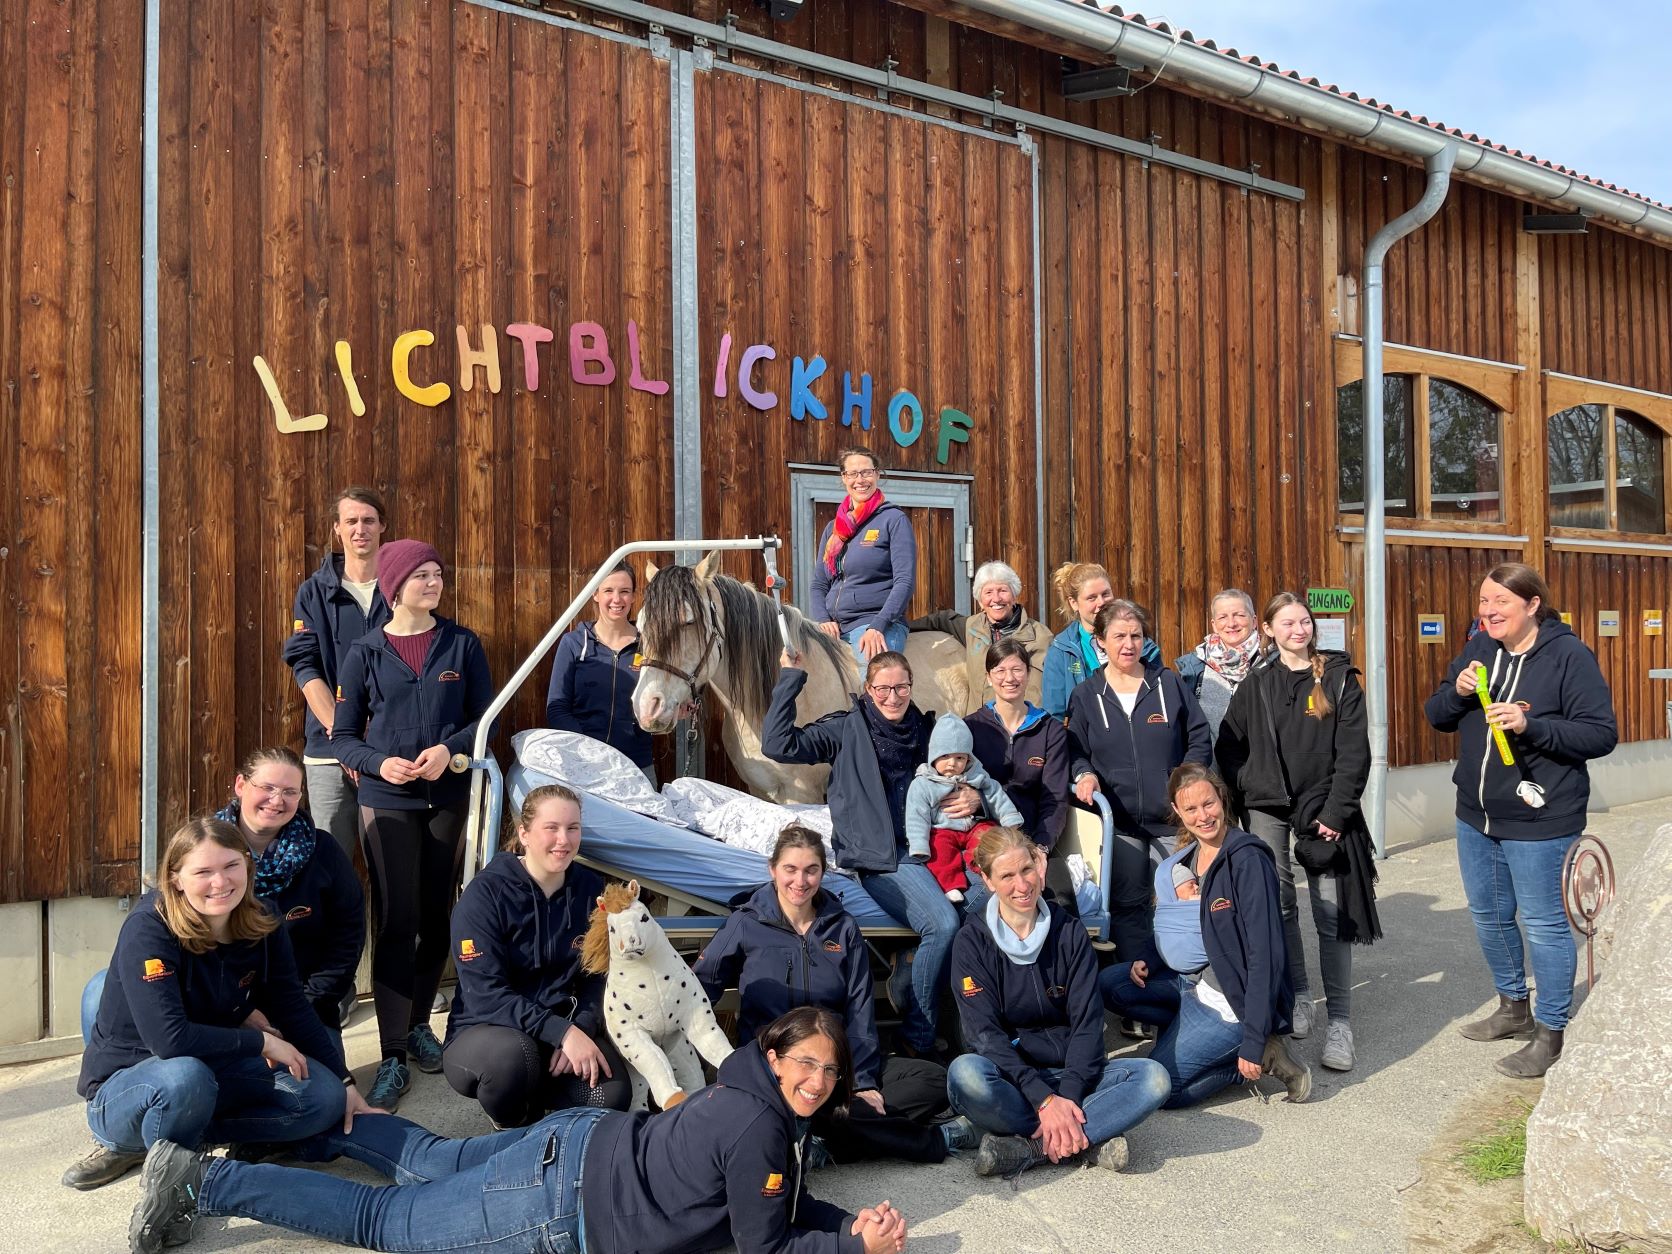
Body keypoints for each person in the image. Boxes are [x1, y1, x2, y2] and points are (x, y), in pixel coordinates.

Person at [129, 1007, 911, 1254]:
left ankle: (331, 1130)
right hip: (562, 1201)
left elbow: (774, 1198)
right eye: (806, 1064)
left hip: (582, 1137)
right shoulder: (762, 1129)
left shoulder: (744, 1087)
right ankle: (203, 1179)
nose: (818, 1082)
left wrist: (848, 1223)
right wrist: (853, 1249)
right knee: (381, 1220)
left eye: (829, 1071)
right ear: (774, 1057)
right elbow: (765, 1244)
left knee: (432, 1155)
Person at [65, 818, 372, 1197]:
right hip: (133, 1082)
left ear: (248, 866)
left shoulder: (262, 919)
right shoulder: (149, 928)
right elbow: (170, 1041)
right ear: (175, 878)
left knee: (323, 1098)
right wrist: (261, 1042)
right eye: (203, 872)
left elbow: (292, 1006)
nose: (220, 882)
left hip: (208, 1070)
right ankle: (133, 1150)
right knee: (184, 1077)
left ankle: (185, 1137)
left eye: (230, 866)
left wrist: (345, 1082)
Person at [1424, 562, 1617, 1079]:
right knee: (1489, 916)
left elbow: (1601, 734)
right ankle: (1513, 1008)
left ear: (1532, 605)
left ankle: (1551, 1032)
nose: (1488, 611)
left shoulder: (1568, 656)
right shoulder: (1479, 647)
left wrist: (1532, 725)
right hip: (1477, 813)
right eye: (1483, 601)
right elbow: (1437, 715)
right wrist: (1458, 692)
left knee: (1544, 924)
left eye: (1500, 602)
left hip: (1541, 817)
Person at [694, 825, 974, 1165]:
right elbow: (698, 989)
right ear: (773, 870)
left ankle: (815, 1136)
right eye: (790, 869)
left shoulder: (842, 927)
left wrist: (863, 1082)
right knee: (799, 1106)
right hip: (776, 1069)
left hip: (835, 1066)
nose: (800, 881)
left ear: (823, 873)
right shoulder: (745, 923)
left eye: (811, 870)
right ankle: (923, 1139)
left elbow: (860, 1009)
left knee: (934, 1080)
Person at [331, 538, 494, 1113]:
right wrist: (379, 764)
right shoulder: (366, 652)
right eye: (421, 574)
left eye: (437, 573)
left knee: (435, 914)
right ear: (395, 585)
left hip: (446, 795)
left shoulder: (462, 644)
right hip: (387, 799)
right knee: (397, 919)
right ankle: (392, 1053)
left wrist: (450, 750)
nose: (433, 582)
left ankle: (421, 1024)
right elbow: (343, 736)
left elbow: (485, 719)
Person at [762, 647, 977, 1060]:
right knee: (943, 925)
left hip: (935, 848)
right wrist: (790, 679)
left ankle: (912, 969)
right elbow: (777, 743)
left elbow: (970, 773)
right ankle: (917, 1038)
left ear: (912, 686)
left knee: (987, 906)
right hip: (882, 857)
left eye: (901, 687)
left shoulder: (928, 731)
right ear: (868, 689)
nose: (893, 697)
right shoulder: (846, 729)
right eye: (883, 688)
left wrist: (972, 796)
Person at [946, 826, 1171, 1178]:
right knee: (966, 1074)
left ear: (1039, 866)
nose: (1022, 885)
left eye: (1026, 869)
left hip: (1072, 1073)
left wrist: (1067, 1096)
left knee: (1154, 1078)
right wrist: (1044, 1100)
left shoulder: (1070, 931)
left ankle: (1031, 1147)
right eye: (1006, 876)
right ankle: (1088, 1136)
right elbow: (985, 1036)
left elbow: (1087, 1025)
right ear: (987, 881)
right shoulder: (971, 942)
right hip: (1012, 1078)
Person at [1215, 592, 1373, 1071]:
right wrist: (1250, 786)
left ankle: (1340, 1022)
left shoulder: (1339, 679)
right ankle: (1301, 994)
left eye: (1304, 622)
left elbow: (1354, 754)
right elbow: (1229, 746)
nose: (1299, 630)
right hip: (1268, 808)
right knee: (1280, 905)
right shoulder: (1257, 683)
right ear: (1268, 629)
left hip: (1324, 809)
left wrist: (1337, 812)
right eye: (1287, 623)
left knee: (1330, 913)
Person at [1099, 764, 1312, 1107]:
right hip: (1189, 982)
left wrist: (1254, 1039)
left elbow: (1266, 956)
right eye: (1191, 809)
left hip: (1229, 999)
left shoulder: (1248, 861)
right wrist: (1148, 959)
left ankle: (1260, 1055)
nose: (1203, 816)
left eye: (1208, 803)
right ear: (1177, 811)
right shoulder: (1189, 856)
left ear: (1222, 798)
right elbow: (1182, 926)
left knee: (1161, 1087)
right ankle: (1190, 1037)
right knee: (1111, 984)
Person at [442, 784, 632, 1126]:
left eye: (572, 828)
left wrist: (580, 1028)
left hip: (560, 1029)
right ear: (524, 834)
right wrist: (562, 1032)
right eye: (551, 828)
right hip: (488, 1031)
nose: (563, 840)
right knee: (514, 1061)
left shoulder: (589, 889)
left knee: (612, 1095)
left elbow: (597, 975)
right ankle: (513, 1121)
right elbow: (486, 995)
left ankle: (551, 1116)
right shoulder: (485, 895)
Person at [1068, 600, 1212, 960]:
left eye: (1136, 636)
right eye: (1119, 636)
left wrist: (1187, 778)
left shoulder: (1168, 683)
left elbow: (1198, 735)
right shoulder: (1086, 695)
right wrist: (1084, 774)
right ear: (1100, 641)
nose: (1128, 644)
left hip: (1172, 819)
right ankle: (1138, 978)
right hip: (1120, 823)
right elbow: (1074, 750)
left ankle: (1181, 978)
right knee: (1128, 905)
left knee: (1177, 898)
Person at [213, 746, 365, 1034]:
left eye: (289, 792)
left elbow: (348, 936)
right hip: (224, 1017)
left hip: (308, 1010)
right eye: (267, 787)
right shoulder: (205, 851)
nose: (276, 800)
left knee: (322, 1066)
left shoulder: (323, 851)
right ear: (240, 785)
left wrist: (307, 1006)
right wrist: (238, 1013)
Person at [282, 485, 391, 862]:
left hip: (388, 752)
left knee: (391, 865)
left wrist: (367, 746)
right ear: (337, 528)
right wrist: (344, 737)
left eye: (369, 520)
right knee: (331, 861)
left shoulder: (401, 588)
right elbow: (305, 664)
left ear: (382, 526)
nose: (360, 529)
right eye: (351, 521)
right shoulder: (314, 592)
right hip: (328, 752)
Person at [965, 639, 1076, 911]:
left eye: (1017, 670)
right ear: (988, 677)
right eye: (1000, 671)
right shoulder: (971, 727)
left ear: (1028, 673)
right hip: (984, 839)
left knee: (1061, 900)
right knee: (983, 902)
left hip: (1033, 837)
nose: (1009, 678)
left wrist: (1041, 848)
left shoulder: (1050, 730)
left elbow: (1055, 799)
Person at [544, 559, 656, 782]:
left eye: (624, 591)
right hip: (585, 766)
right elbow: (556, 708)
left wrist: (677, 710)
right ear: (595, 594)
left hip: (636, 767)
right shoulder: (574, 643)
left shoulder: (650, 645)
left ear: (634, 596)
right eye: (608, 591)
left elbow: (657, 704)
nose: (617, 599)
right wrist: (589, 750)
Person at [810, 446, 917, 665]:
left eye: (867, 472)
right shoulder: (833, 529)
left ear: (877, 474)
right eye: (852, 473)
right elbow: (819, 584)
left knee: (872, 680)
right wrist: (823, 620)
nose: (860, 480)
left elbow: (904, 581)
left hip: (876, 624)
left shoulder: (893, 520)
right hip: (834, 627)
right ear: (844, 478)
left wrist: (878, 625)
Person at [906, 713, 1023, 904]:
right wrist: (919, 844)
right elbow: (916, 816)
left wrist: (1010, 819)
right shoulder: (924, 783)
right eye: (945, 756)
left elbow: (996, 796)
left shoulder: (977, 775)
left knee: (989, 837)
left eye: (959, 757)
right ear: (934, 755)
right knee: (939, 851)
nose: (952, 763)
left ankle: (984, 868)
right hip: (942, 829)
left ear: (968, 759)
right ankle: (951, 884)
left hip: (975, 825)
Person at [908, 560, 1052, 709]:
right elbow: (941, 619)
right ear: (980, 602)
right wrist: (901, 627)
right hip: (979, 721)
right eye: (988, 592)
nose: (996, 598)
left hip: (1025, 720)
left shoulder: (1040, 637)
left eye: (1003, 590)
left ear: (1014, 596)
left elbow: (1047, 692)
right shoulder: (971, 627)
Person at [1174, 588, 1263, 741]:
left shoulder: (1271, 662)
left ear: (1254, 621)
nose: (1231, 623)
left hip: (1260, 756)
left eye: (1239, 615)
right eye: (1223, 617)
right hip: (1208, 756)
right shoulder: (1194, 667)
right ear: (1214, 625)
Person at [1041, 561, 1115, 720]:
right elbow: (1054, 715)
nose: (1101, 602)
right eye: (1091, 598)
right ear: (1074, 603)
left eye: (1105, 594)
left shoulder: (1139, 643)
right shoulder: (1061, 651)